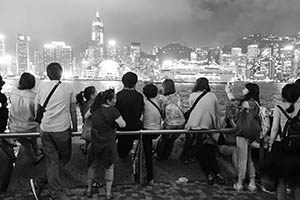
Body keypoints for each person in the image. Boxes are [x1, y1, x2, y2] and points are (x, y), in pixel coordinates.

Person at [30, 62, 78, 200]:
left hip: (45, 129)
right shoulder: (68, 87)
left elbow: (36, 108)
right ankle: (54, 192)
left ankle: (41, 182)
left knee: (52, 160)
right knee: (65, 157)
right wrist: (75, 127)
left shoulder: (41, 86)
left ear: (47, 73)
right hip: (61, 129)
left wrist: (39, 124)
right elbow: (73, 110)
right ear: (61, 73)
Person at [85, 89, 125, 199]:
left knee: (92, 166)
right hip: (108, 143)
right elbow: (122, 125)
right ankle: (108, 193)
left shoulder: (94, 109)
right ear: (108, 101)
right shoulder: (114, 111)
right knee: (109, 167)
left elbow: (85, 116)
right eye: (114, 98)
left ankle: (88, 190)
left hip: (95, 143)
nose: (116, 100)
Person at [184, 77, 225, 185]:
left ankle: (208, 173)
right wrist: (216, 127)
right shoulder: (212, 96)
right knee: (209, 149)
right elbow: (216, 112)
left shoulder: (193, 95)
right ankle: (217, 173)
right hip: (207, 125)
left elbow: (192, 109)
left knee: (202, 151)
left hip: (194, 125)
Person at [265, 83, 300, 200]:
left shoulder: (278, 108)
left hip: (282, 146)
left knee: (281, 180)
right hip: (297, 146)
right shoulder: (299, 107)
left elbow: (274, 128)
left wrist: (270, 143)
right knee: (296, 181)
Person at [9, 72, 44, 164]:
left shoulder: (13, 92)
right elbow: (36, 114)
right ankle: (35, 158)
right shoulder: (34, 97)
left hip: (14, 126)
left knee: (26, 144)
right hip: (30, 127)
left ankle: (35, 154)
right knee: (33, 140)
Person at [233, 83, 259, 192]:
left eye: (245, 88)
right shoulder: (256, 103)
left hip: (243, 133)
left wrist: (228, 92)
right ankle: (252, 183)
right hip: (252, 133)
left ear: (249, 91)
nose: (243, 90)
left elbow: (234, 104)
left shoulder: (247, 103)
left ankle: (240, 182)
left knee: (242, 158)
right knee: (249, 158)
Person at [116, 72, 144, 159]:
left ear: (123, 81)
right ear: (135, 82)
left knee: (121, 150)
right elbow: (141, 111)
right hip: (135, 127)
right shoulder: (139, 96)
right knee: (128, 146)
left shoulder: (118, 95)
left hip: (121, 128)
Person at [156, 79, 185, 160]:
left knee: (163, 139)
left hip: (169, 123)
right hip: (181, 123)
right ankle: (166, 155)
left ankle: (159, 155)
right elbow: (182, 108)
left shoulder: (162, 98)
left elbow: (161, 112)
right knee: (172, 140)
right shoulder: (178, 96)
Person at [141, 83, 163, 184]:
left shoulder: (144, 102)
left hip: (147, 130)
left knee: (147, 153)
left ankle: (149, 177)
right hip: (158, 130)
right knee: (149, 151)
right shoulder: (159, 101)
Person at [76, 86, 96, 155]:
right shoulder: (93, 105)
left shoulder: (83, 104)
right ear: (92, 96)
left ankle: (85, 147)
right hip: (92, 125)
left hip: (85, 125)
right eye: (95, 93)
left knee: (88, 139)